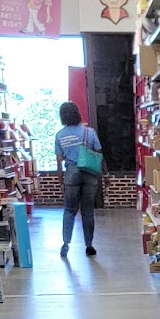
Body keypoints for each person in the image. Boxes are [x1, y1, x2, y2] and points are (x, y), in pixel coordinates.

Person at [55, 101, 102, 257]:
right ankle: (89, 246)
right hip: (89, 173)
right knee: (87, 211)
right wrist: (105, 174)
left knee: (69, 210)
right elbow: (99, 153)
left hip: (71, 173)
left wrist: (61, 181)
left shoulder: (60, 135)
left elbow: (59, 161)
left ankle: (65, 244)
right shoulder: (89, 132)